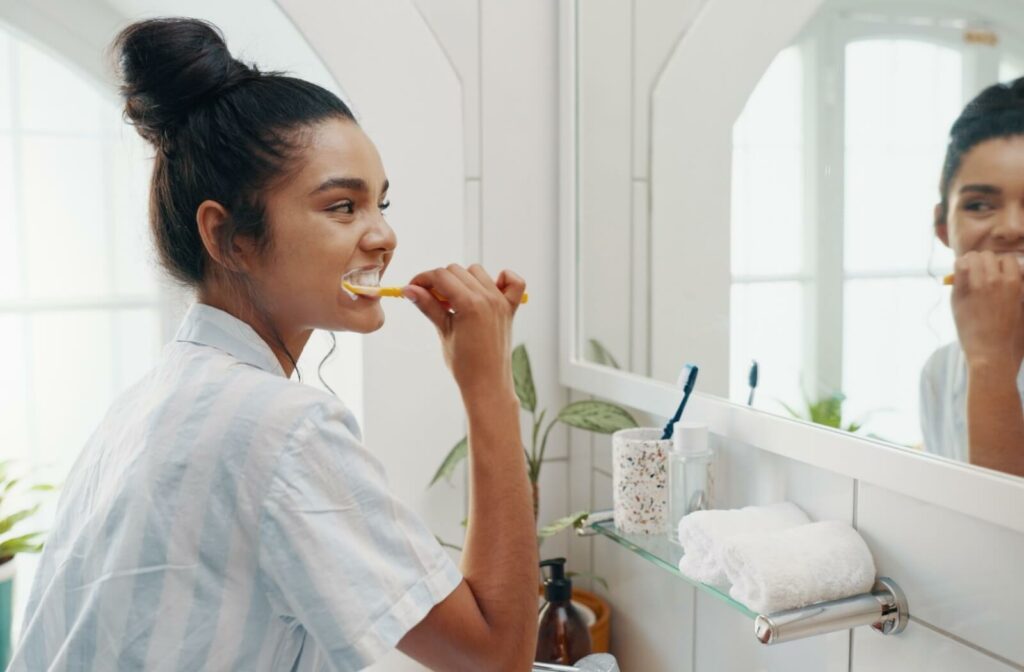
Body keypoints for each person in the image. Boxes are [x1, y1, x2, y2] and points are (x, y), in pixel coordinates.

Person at [9, 18, 537, 671]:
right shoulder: (280, 428)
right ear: (229, 238)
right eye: (343, 207)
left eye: (381, 203)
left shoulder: (155, 399)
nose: (383, 236)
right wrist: (490, 389)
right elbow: (497, 658)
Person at [921, 76, 1024, 478]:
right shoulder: (939, 371)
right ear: (943, 227)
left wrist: (992, 364)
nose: (1012, 228)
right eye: (980, 204)